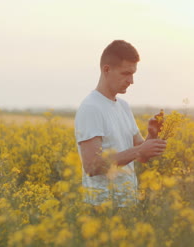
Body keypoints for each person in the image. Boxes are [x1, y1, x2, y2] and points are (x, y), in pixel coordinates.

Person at [74, 40, 167, 207]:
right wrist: (139, 150)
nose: (131, 80)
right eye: (126, 73)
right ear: (107, 70)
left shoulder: (123, 106)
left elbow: (141, 156)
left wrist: (152, 135)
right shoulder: (91, 108)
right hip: (102, 209)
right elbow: (92, 166)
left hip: (128, 205)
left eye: (133, 74)